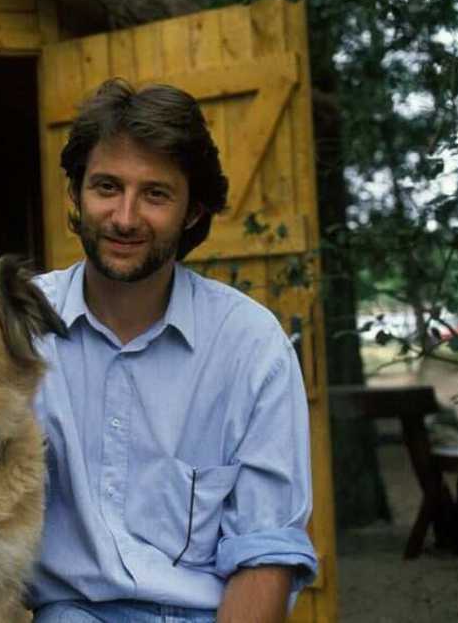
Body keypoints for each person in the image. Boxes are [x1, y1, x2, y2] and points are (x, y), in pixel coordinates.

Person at [29, 81, 318, 623]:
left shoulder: (252, 346)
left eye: (155, 194)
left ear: (192, 210)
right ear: (75, 194)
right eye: (106, 187)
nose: (125, 217)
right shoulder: (14, 326)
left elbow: (265, 556)